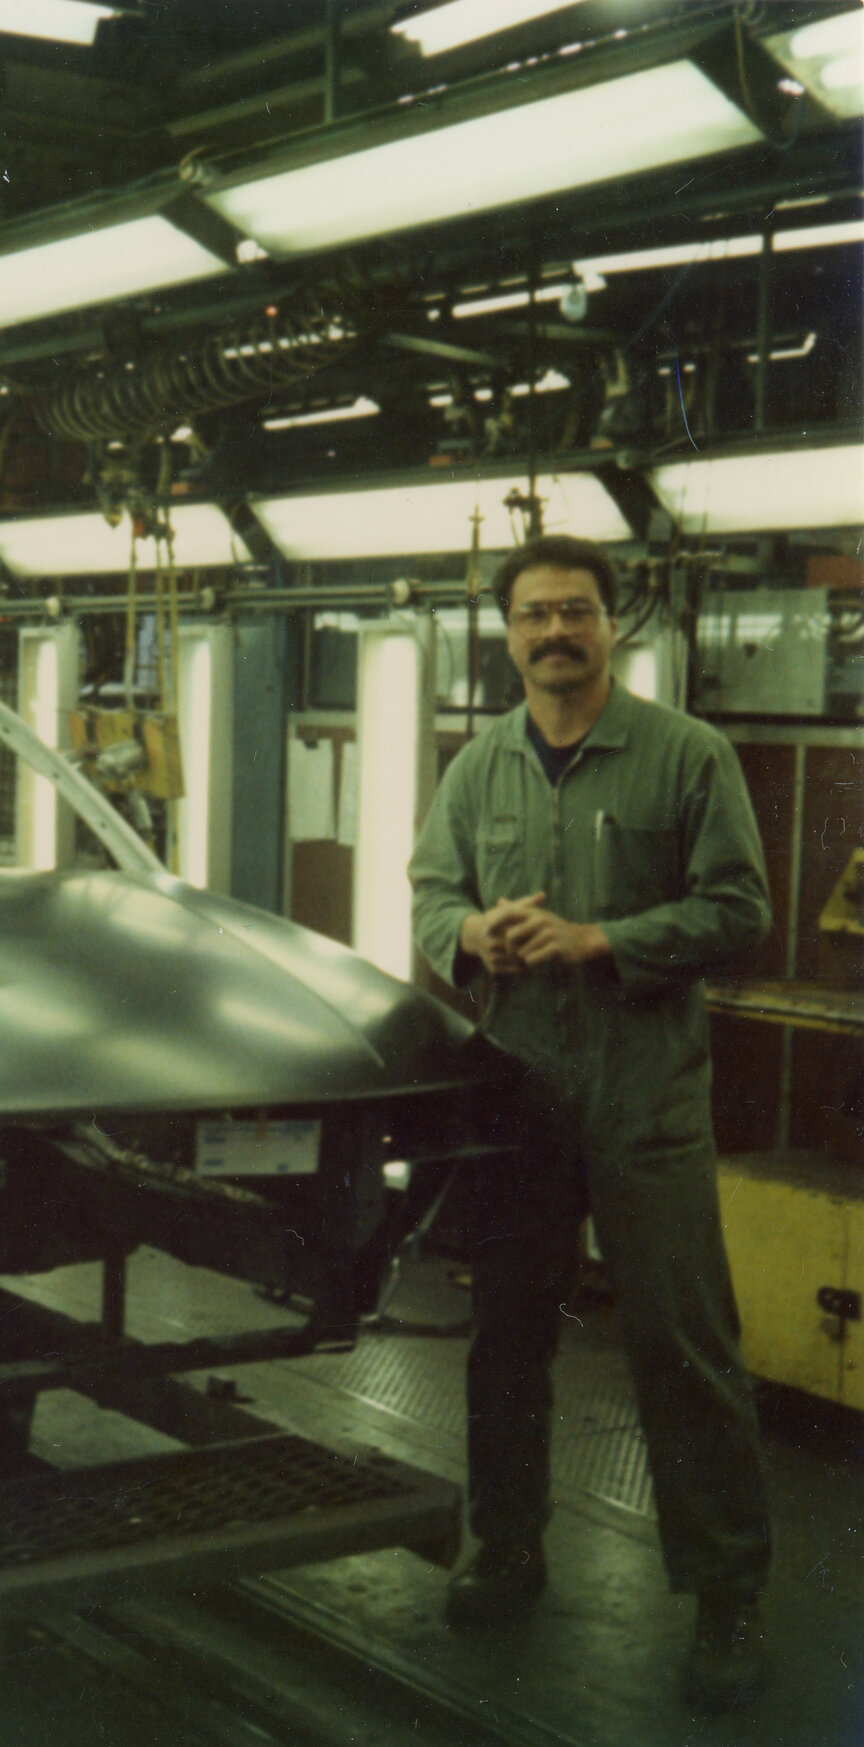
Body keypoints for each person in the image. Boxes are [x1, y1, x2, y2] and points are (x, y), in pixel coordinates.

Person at [409, 533, 773, 1712]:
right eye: (531, 616)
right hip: (519, 1095)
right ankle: (505, 1543)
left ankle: (725, 1594)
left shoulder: (685, 756)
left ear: (612, 625)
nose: (552, 632)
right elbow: (427, 896)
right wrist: (470, 935)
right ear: (506, 635)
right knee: (507, 1334)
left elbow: (738, 908)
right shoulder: (476, 771)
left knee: (679, 1339)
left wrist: (601, 941)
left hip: (643, 1094)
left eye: (573, 611)